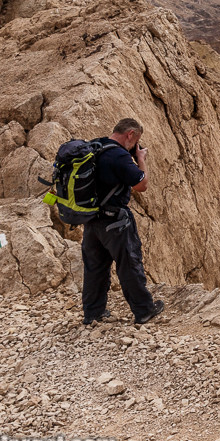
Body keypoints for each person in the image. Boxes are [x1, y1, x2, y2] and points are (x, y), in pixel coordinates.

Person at [81, 117, 165, 325]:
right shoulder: (119, 156)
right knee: (129, 264)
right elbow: (141, 185)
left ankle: (93, 313)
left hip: (91, 219)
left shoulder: (96, 145)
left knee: (94, 267)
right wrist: (141, 159)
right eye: (136, 140)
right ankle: (144, 310)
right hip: (115, 221)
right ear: (130, 135)